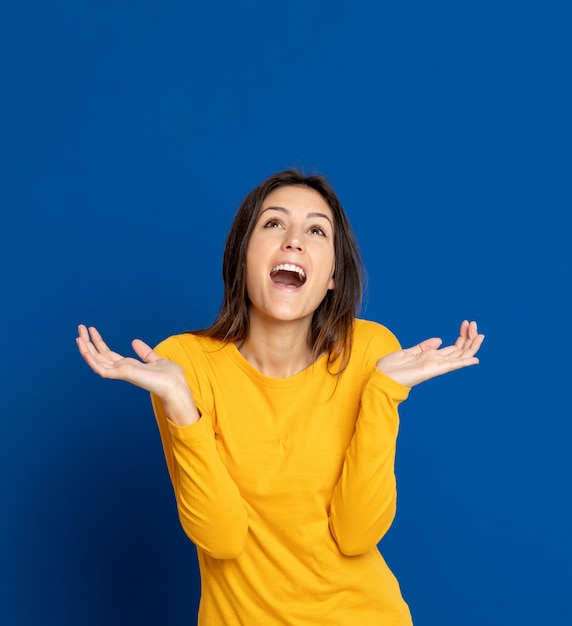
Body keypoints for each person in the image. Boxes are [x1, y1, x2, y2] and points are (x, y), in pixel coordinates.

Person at [76, 170, 484, 626]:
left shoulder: (369, 352)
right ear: (242, 257)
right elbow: (222, 538)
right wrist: (179, 404)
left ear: (332, 275)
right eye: (274, 224)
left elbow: (357, 533)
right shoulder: (183, 364)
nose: (294, 242)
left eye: (316, 230)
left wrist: (382, 395)